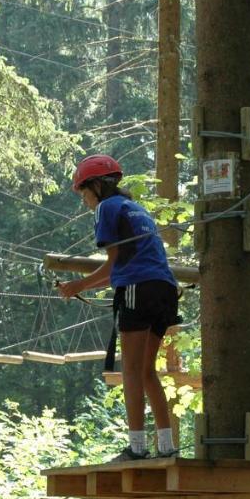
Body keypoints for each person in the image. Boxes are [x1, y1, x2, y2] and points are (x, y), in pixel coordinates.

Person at [57, 155, 181, 462]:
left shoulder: (106, 208)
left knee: (130, 370)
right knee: (146, 370)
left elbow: (113, 264)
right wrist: (82, 285)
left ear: (97, 186)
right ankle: (166, 446)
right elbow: (118, 270)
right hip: (164, 289)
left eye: (84, 194)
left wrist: (77, 286)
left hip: (138, 288)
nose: (85, 201)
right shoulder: (136, 209)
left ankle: (137, 448)